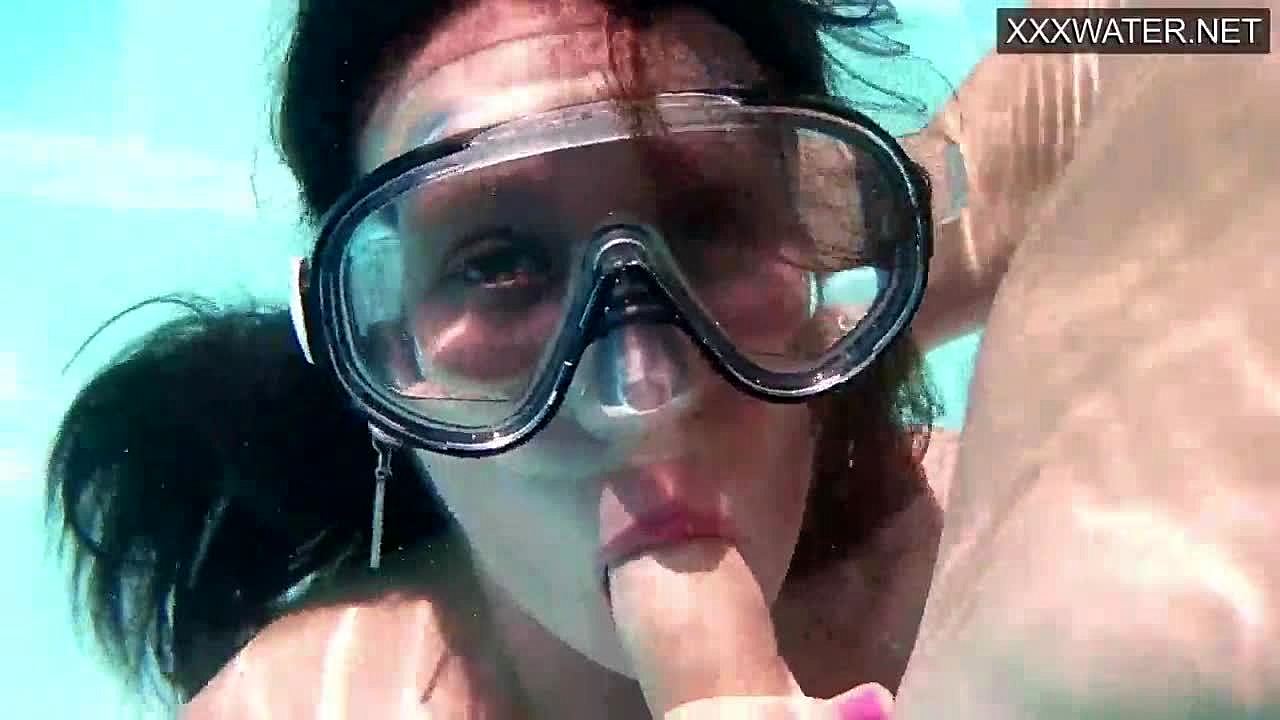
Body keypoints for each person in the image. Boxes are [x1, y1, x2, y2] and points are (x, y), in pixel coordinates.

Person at [49, 1, 963, 717]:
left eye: (709, 226)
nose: (641, 395)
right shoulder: (301, 704)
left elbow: (1070, 41)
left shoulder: (1004, 559)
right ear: (382, 350)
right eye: (497, 267)